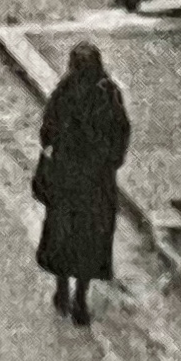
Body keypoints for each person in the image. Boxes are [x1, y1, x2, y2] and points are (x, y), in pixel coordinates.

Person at [33, 40, 129, 327]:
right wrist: (109, 162)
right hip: (96, 184)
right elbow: (121, 134)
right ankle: (80, 299)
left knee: (63, 235)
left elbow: (47, 131)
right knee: (90, 239)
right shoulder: (108, 94)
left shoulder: (65, 91)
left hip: (67, 180)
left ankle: (62, 289)